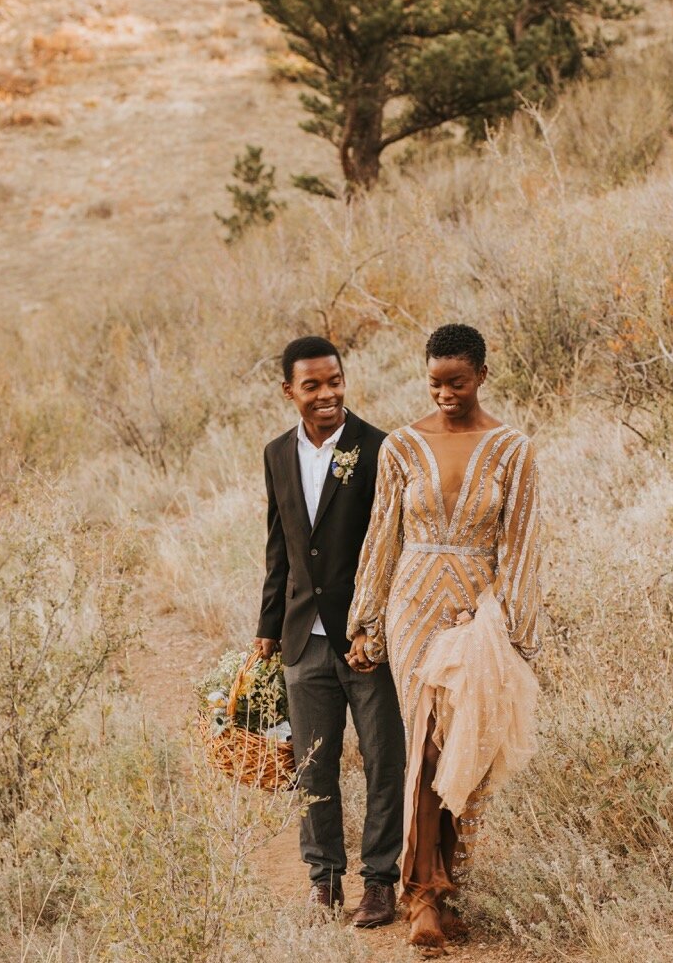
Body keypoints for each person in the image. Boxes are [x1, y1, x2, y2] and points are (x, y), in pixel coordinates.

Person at [345, 323, 542, 957]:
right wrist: (367, 620)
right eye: (434, 382)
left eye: (456, 381)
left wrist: (516, 630)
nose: (445, 394)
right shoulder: (402, 445)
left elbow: (521, 545)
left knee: (468, 744)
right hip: (414, 605)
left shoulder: (513, 449)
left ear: (482, 374)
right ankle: (420, 896)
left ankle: (446, 884)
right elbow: (382, 536)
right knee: (426, 747)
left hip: (478, 610)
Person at [256, 335, 405, 928]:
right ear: (288, 390)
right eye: (312, 385)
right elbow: (280, 547)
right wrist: (268, 629)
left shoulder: (380, 449)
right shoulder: (276, 453)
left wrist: (381, 624)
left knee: (381, 759)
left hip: (367, 637)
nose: (327, 394)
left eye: (335, 380)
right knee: (311, 763)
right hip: (302, 639)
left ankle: (379, 881)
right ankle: (323, 881)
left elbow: (395, 546)